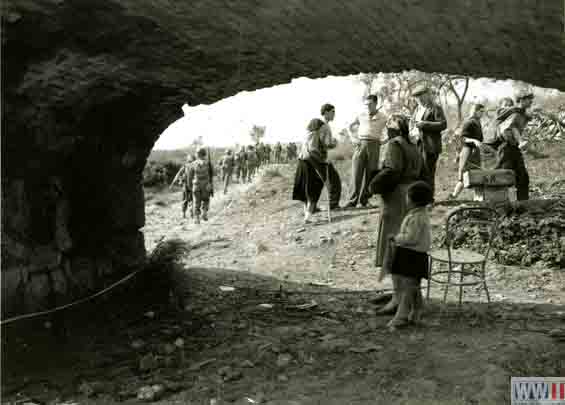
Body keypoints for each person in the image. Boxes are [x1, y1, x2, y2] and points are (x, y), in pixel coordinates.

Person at [367, 114, 426, 314]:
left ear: (393, 129)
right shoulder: (413, 145)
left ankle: (397, 299)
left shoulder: (394, 144)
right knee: (407, 250)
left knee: (395, 249)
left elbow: (392, 170)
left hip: (397, 198)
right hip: (411, 197)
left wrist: (372, 186)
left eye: (386, 127)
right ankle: (399, 295)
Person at [386, 181, 433, 330]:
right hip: (414, 255)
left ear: (412, 200)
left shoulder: (416, 218)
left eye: (407, 197)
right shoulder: (419, 214)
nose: (405, 199)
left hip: (412, 256)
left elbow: (411, 238)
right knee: (414, 287)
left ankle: (401, 316)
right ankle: (417, 311)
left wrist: (396, 238)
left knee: (408, 287)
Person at [345, 94, 386, 208]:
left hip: (374, 145)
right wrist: (353, 138)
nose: (368, 106)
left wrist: (384, 141)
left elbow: (390, 128)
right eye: (366, 104)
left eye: (370, 104)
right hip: (361, 144)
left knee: (370, 173)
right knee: (356, 172)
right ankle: (352, 201)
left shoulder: (383, 117)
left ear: (376, 103)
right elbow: (349, 126)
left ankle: (365, 200)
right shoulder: (361, 115)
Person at [494, 90, 534, 200]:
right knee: (504, 175)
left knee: (523, 177)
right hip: (505, 147)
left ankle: (523, 204)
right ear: (521, 100)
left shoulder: (521, 114)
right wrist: (518, 141)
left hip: (514, 148)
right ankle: (499, 202)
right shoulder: (515, 113)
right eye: (528, 99)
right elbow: (507, 128)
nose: (531, 101)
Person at [409, 84, 447, 198]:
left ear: (427, 95)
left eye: (421, 96)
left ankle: (429, 199)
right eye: (416, 97)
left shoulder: (435, 108)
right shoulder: (416, 110)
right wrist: (411, 130)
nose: (418, 99)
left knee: (428, 173)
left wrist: (424, 124)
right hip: (417, 145)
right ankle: (421, 199)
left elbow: (443, 124)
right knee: (418, 173)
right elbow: (412, 124)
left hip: (430, 146)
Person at [292, 118, 327, 223]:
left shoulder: (307, 134)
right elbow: (312, 150)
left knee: (305, 189)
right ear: (317, 127)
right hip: (309, 164)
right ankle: (308, 216)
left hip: (301, 163)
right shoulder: (314, 134)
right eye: (321, 127)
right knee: (313, 188)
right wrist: (322, 158)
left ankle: (307, 212)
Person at [450, 103, 485, 199]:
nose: (482, 114)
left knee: (478, 176)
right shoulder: (469, 122)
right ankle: (453, 196)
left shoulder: (477, 122)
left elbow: (480, 139)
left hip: (475, 152)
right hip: (467, 151)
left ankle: (478, 200)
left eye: (483, 112)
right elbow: (462, 138)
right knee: (464, 176)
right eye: (481, 111)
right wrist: (473, 140)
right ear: (475, 111)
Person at [317, 103, 342, 210]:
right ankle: (333, 205)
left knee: (323, 182)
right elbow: (325, 143)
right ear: (326, 112)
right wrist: (334, 143)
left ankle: (313, 207)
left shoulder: (320, 124)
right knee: (335, 181)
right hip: (322, 158)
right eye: (333, 112)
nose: (334, 114)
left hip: (319, 158)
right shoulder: (324, 125)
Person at [187, 148, 213, 224]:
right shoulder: (208, 163)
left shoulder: (193, 164)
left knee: (196, 201)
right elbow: (212, 175)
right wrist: (211, 184)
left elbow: (189, 177)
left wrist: (190, 186)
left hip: (196, 185)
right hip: (206, 185)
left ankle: (197, 218)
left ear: (197, 154)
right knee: (206, 199)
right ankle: (204, 212)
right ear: (204, 154)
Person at [170, 153, 196, 219]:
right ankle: (190, 213)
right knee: (191, 200)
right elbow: (178, 174)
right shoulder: (194, 166)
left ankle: (185, 213)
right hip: (192, 185)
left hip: (187, 186)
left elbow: (178, 174)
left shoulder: (186, 166)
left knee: (186, 200)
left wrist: (173, 183)